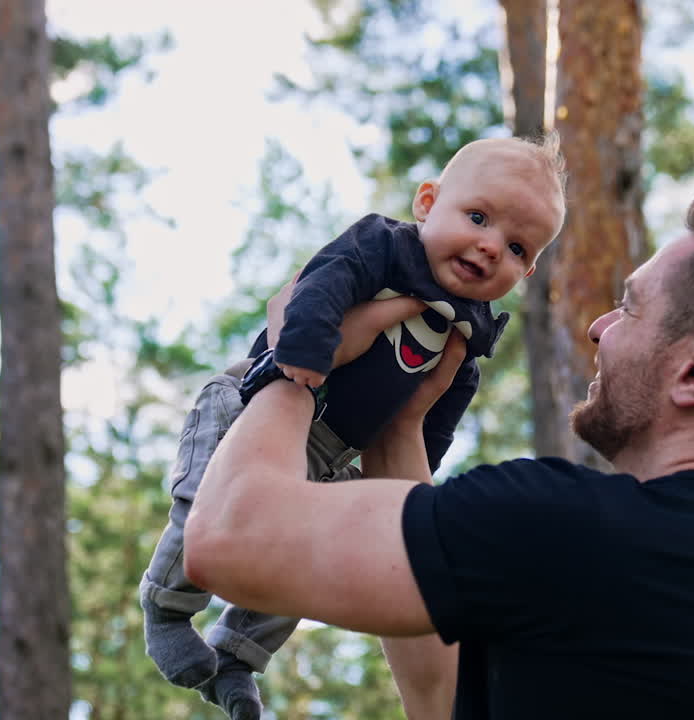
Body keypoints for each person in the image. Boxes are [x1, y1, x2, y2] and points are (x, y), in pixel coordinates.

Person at [184, 176, 694, 719]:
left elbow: (226, 537)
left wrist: (295, 359)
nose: (600, 328)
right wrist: (401, 424)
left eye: (631, 308)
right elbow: (441, 701)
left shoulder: (573, 526)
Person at [139, 134, 567, 719]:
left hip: (333, 453)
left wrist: (402, 493)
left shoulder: (463, 340)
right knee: (208, 503)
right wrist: (306, 356)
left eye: (517, 246)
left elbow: (431, 422)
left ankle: (237, 655)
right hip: (252, 403)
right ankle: (166, 609)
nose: (491, 246)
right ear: (426, 203)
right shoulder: (385, 247)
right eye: (477, 217)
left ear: (529, 267)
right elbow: (324, 280)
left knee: (310, 550)